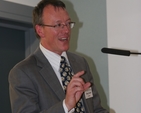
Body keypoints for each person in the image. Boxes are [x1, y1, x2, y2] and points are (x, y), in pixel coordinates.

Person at [9, 0, 109, 113]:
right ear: (40, 30)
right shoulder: (23, 72)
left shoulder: (80, 63)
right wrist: (66, 105)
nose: (66, 30)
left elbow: (96, 109)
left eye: (68, 24)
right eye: (58, 25)